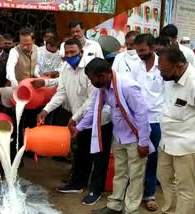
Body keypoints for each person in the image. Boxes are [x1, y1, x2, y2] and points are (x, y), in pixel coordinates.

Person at [37, 39, 112, 206]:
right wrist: (46, 110)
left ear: (81, 52)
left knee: (99, 156)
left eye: (73, 52)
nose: (70, 56)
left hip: (99, 120)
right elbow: (61, 93)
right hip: (79, 120)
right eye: (67, 53)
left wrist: (75, 117)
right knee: (81, 153)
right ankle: (77, 184)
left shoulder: (90, 69)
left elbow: (92, 100)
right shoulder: (65, 68)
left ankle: (96, 190)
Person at [74, 58, 154, 214]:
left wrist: (143, 143)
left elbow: (142, 114)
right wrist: (79, 127)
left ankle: (131, 210)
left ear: (103, 75)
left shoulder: (127, 86)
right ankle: (115, 205)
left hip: (135, 138)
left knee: (136, 176)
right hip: (118, 136)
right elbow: (93, 110)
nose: (91, 82)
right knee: (120, 173)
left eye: (92, 78)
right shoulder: (103, 88)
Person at [157, 47, 195, 214]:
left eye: (164, 70)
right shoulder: (171, 78)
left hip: (186, 146)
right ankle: (170, 210)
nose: (161, 74)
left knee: (185, 188)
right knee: (164, 178)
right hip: (166, 142)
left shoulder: (193, 82)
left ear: (179, 66)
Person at [130, 34, 164, 212]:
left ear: (152, 48)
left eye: (142, 50)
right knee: (135, 157)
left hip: (156, 120)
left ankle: (149, 194)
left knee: (153, 158)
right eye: (137, 51)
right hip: (137, 120)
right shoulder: (135, 66)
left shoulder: (163, 66)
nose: (140, 54)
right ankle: (133, 193)